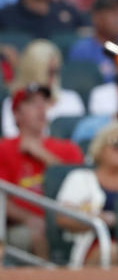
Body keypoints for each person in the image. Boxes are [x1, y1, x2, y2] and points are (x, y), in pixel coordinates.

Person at [0, 84, 85, 259]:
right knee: (35, 231)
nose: (40, 107)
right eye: (31, 103)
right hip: (21, 225)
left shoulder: (68, 149)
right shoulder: (4, 149)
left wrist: (43, 155)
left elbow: (81, 186)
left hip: (66, 222)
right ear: (16, 113)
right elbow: (2, 198)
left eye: (44, 102)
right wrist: (28, 218)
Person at [55, 121, 118, 267]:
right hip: (94, 246)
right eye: (116, 144)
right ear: (100, 148)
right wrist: (101, 219)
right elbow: (63, 218)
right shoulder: (81, 177)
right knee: (116, 252)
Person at [1, 39, 86, 138]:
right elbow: (13, 141)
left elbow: (78, 138)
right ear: (32, 72)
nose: (53, 78)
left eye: (56, 71)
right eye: (49, 72)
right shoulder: (12, 103)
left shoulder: (71, 99)